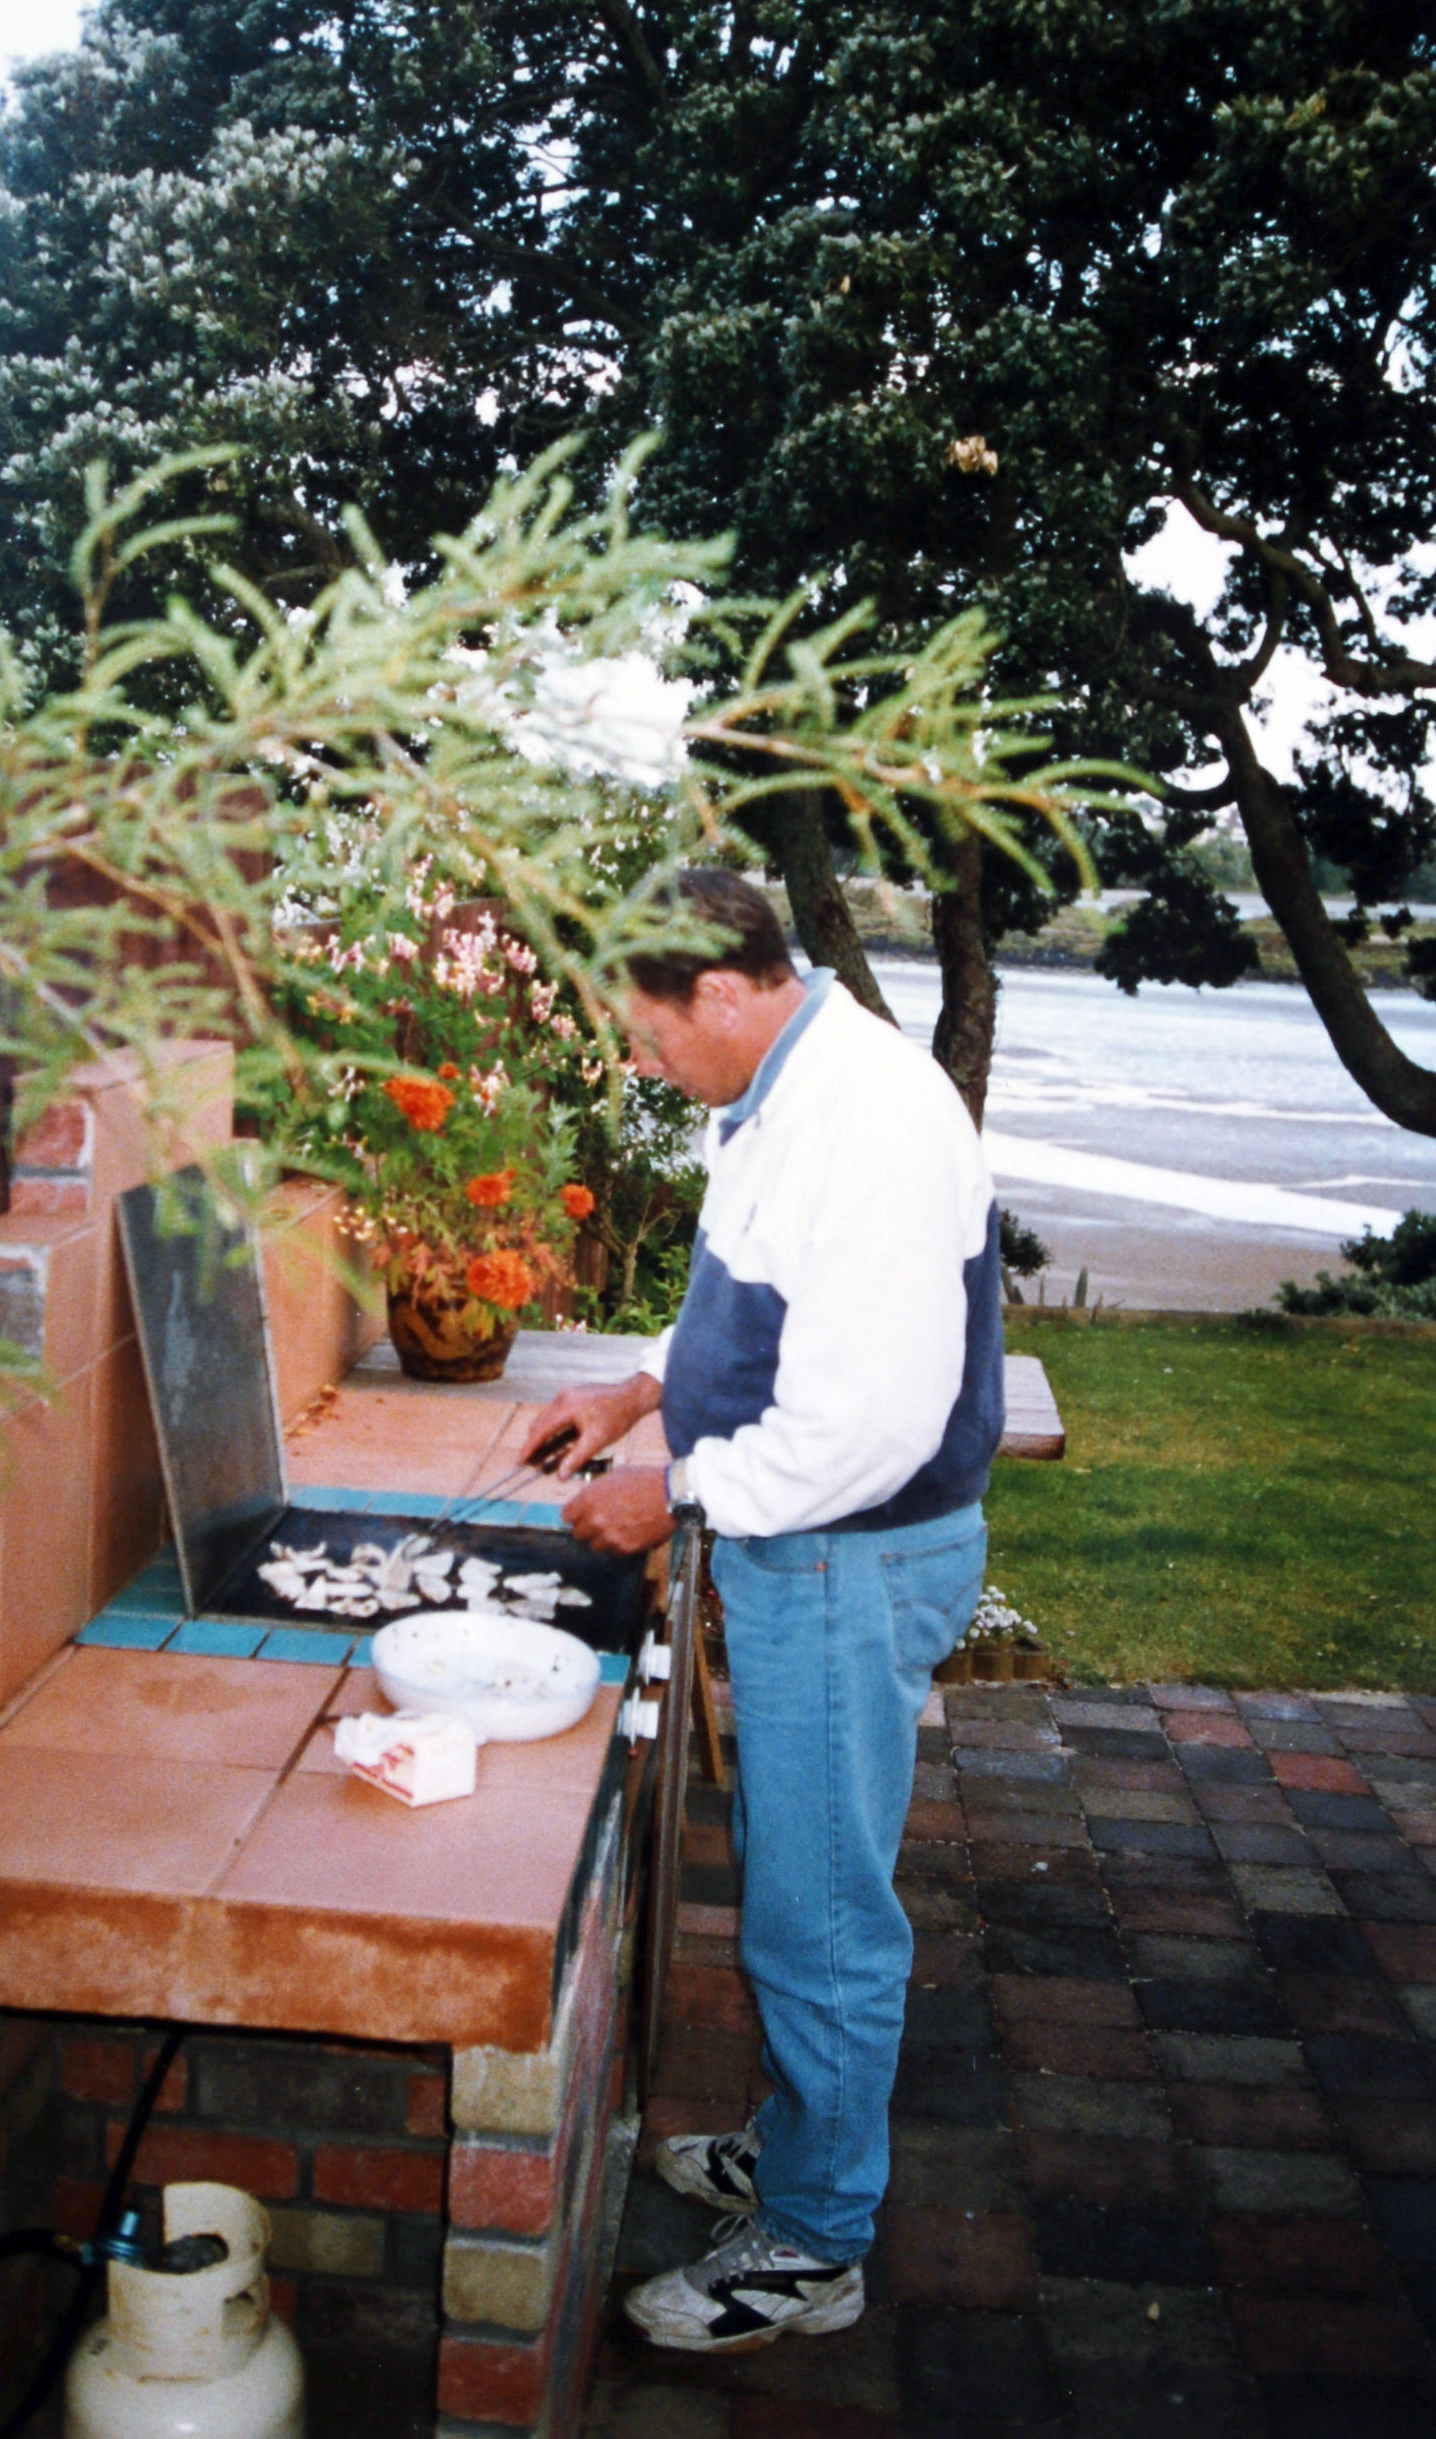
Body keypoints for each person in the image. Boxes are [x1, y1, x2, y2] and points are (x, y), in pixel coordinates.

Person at [519, 867, 1003, 2354]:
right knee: (800, 1884)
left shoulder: (871, 1120)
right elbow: (749, 1297)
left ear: (723, 992)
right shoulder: (777, 1088)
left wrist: (673, 1492)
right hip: (806, 1549)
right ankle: (801, 2143)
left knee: (821, 1913)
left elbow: (868, 1426)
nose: (641, 1060)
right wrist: (639, 1390)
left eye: (649, 1033)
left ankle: (813, 2242)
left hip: (850, 1557)